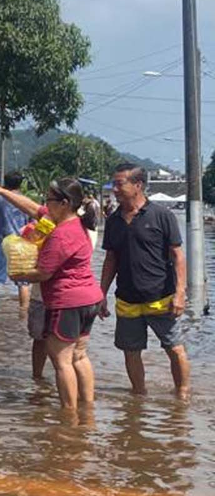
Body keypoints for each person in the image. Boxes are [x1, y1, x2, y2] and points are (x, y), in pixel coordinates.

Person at [0, 177, 101, 411]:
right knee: (79, 356)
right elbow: (31, 207)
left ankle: (69, 416)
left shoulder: (61, 234)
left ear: (64, 203)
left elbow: (44, 273)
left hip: (68, 301)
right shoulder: (78, 224)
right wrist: (1, 191)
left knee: (62, 361)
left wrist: (17, 275)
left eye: (49, 199)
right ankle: (88, 411)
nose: (45, 204)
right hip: (90, 299)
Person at [98, 163, 189, 398]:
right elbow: (111, 259)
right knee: (130, 351)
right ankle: (138, 396)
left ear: (137, 185)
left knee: (175, 349)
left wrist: (180, 292)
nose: (114, 189)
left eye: (119, 184)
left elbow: (178, 256)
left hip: (161, 297)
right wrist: (101, 294)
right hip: (127, 299)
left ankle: (183, 395)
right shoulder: (114, 220)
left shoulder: (162, 216)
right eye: (114, 184)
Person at [0, 170, 31, 316]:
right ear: (20, 184)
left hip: (2, 242)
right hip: (21, 245)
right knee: (23, 282)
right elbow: (32, 223)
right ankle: (24, 314)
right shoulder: (25, 200)